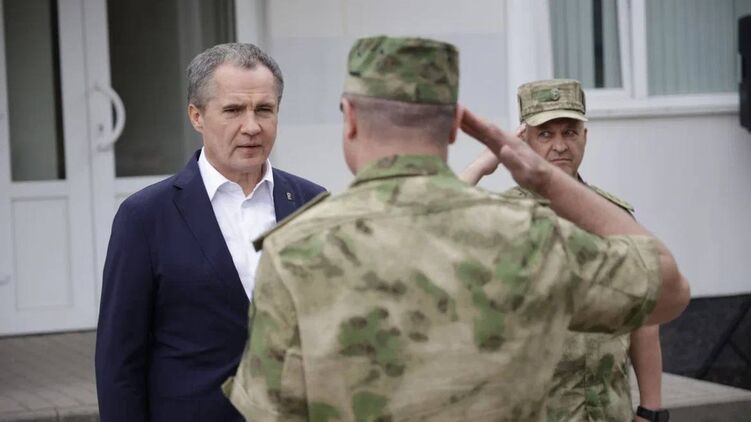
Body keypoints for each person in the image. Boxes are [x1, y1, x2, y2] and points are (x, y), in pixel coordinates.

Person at [223, 36, 689, 421]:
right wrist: (547, 180)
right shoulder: (528, 237)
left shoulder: (295, 250)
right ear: (453, 128)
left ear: (350, 119)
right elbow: (669, 289)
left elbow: (270, 413)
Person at [95, 43, 326, 422]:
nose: (251, 126)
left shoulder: (311, 203)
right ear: (197, 116)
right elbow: (119, 358)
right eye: (233, 110)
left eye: (264, 110)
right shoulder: (145, 216)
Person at [461, 79, 667, 422]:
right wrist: (485, 162)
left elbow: (644, 319)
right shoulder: (501, 218)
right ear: (524, 140)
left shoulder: (613, 217)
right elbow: (429, 221)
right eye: (545, 134)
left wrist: (651, 410)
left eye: (570, 132)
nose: (560, 146)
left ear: (585, 137)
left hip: (609, 413)